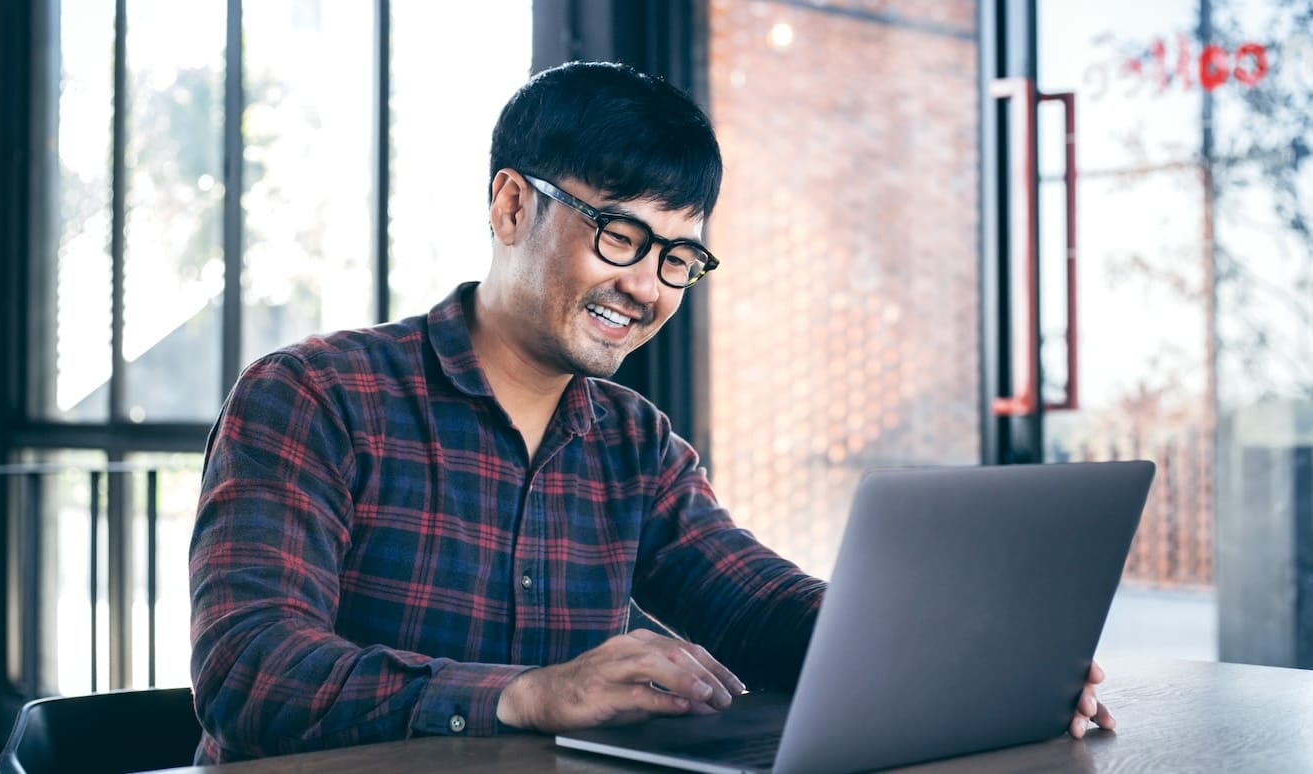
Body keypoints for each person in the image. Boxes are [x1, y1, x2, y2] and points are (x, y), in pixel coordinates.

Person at [188, 61, 1114, 763]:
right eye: (620, 234)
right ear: (512, 204)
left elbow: (762, 607)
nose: (645, 286)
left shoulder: (635, 444)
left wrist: (974, 663)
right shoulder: (312, 396)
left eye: (679, 256)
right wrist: (527, 694)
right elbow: (250, 667)